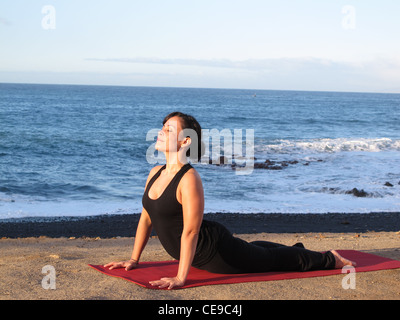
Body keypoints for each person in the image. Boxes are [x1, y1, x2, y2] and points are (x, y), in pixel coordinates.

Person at [104, 111, 356, 289]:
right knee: (254, 249)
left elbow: (190, 232)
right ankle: (295, 250)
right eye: (162, 127)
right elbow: (146, 218)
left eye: (168, 129)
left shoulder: (189, 178)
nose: (160, 132)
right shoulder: (155, 172)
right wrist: (134, 260)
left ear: (185, 141)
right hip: (207, 246)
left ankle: (328, 258)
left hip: (214, 252)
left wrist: (181, 278)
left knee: (269, 261)